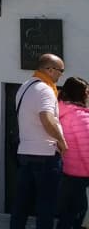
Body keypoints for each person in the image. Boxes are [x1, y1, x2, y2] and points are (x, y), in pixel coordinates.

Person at [10, 53, 68, 229]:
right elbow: (46, 118)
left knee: (21, 204)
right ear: (49, 69)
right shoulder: (45, 90)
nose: (61, 75)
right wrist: (61, 140)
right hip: (46, 154)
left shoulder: (25, 86)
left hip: (25, 152)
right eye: (60, 70)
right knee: (46, 205)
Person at [57, 77, 89, 229]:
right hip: (80, 173)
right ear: (80, 94)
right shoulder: (80, 117)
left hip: (66, 170)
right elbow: (86, 149)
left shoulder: (59, 112)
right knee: (78, 211)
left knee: (66, 214)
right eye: (86, 92)